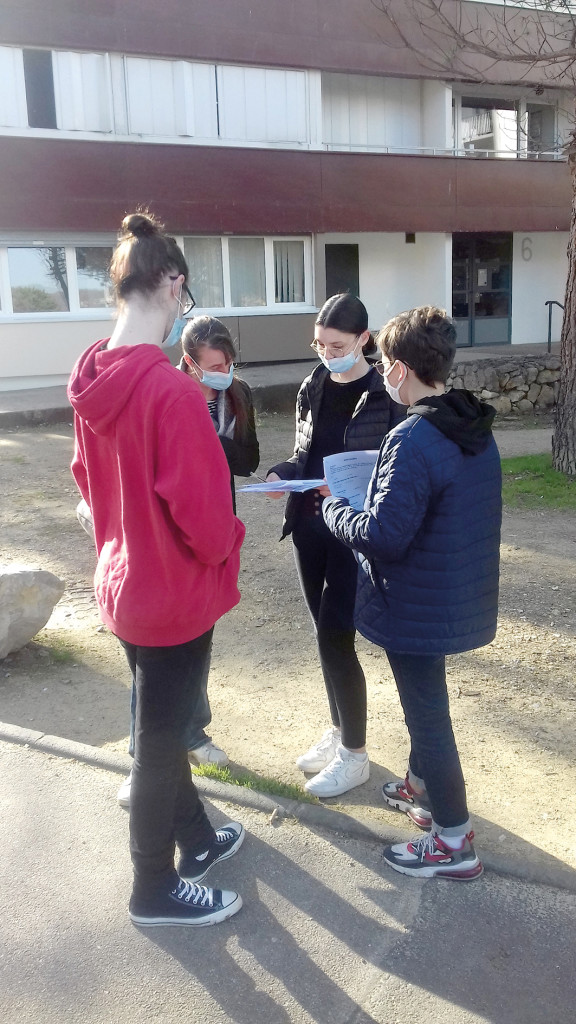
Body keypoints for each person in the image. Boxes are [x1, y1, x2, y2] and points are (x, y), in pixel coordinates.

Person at [67, 211, 246, 926]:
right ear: (173, 285)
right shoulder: (172, 392)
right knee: (157, 744)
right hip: (171, 598)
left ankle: (197, 840)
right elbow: (205, 523)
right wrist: (232, 537)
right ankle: (153, 887)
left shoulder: (91, 375)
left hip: (123, 583)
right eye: (187, 295)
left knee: (163, 729)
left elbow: (85, 479)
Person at [323, 305, 501, 880]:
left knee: (428, 718)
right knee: (431, 703)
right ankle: (421, 788)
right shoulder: (471, 426)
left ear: (397, 370)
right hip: (455, 596)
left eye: (383, 366)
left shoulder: (413, 436)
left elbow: (383, 535)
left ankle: (453, 840)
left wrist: (335, 509)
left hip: (417, 603)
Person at [266, 294, 405, 798]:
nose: (327, 353)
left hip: (353, 535)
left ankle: (355, 755)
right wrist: (283, 474)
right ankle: (339, 728)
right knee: (322, 635)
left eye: (338, 344)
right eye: (320, 344)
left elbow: (393, 472)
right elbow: (306, 452)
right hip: (309, 525)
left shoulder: (386, 392)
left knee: (337, 638)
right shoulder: (314, 383)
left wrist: (350, 491)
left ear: (364, 340)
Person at [117, 316, 260, 792]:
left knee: (201, 641)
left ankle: (193, 733)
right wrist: (196, 439)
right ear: (190, 364)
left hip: (216, 531)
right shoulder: (168, 396)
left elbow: (248, 460)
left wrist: (210, 442)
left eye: (230, 362)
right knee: (155, 661)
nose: (225, 372)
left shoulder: (237, 394)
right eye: (215, 366)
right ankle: (143, 758)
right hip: (172, 540)